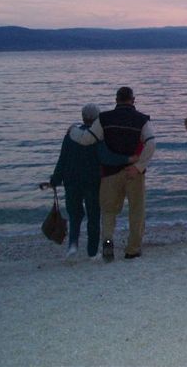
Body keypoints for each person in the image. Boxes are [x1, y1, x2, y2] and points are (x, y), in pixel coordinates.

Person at [70, 86, 155, 262]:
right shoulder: (142, 120)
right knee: (136, 211)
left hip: (109, 174)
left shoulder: (104, 118)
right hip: (134, 174)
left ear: (116, 100)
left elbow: (86, 139)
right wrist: (139, 166)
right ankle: (132, 249)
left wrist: (72, 130)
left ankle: (108, 242)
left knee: (109, 212)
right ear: (133, 100)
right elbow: (151, 143)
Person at [40, 104, 133, 259]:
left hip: (71, 182)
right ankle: (92, 252)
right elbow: (107, 157)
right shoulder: (98, 137)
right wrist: (127, 160)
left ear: (83, 117)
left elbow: (62, 160)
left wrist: (55, 180)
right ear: (97, 119)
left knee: (75, 216)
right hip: (93, 182)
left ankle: (73, 246)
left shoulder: (70, 135)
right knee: (93, 217)